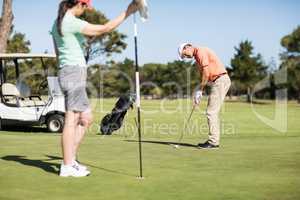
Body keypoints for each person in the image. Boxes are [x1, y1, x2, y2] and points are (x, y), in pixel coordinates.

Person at [51, 0, 139, 177]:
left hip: (71, 72)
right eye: (85, 6)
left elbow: (58, 52)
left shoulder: (58, 22)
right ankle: (67, 165)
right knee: (72, 119)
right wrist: (128, 12)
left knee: (86, 118)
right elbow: (104, 28)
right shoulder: (70, 21)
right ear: (77, 3)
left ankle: (71, 159)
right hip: (73, 73)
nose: (85, 10)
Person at [178, 43, 231, 149]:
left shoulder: (201, 52)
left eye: (184, 54)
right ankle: (213, 140)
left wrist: (200, 91)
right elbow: (204, 76)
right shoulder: (197, 57)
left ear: (187, 47)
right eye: (184, 57)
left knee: (211, 112)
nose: (186, 57)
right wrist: (200, 91)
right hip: (218, 81)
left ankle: (213, 142)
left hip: (220, 80)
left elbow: (206, 73)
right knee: (211, 111)